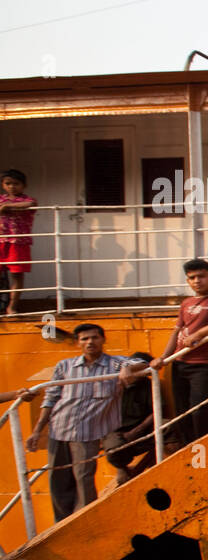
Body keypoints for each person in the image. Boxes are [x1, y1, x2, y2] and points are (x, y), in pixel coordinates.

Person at [25, 323, 148, 521]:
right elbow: (51, 399)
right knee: (58, 481)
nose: (90, 342)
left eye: (94, 337)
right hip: (59, 429)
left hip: (87, 432)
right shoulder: (64, 366)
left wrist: (128, 368)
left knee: (84, 479)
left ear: (103, 340)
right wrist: (38, 430)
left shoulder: (114, 364)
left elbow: (143, 362)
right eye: (84, 339)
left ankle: (85, 521)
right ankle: (62, 525)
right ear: (77, 343)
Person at [150, 259, 208, 444]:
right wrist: (164, 358)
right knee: (183, 414)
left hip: (205, 365)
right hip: (180, 362)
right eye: (192, 278)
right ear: (187, 281)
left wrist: (199, 334)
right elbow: (177, 331)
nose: (197, 281)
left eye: (201, 276)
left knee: (199, 411)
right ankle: (191, 452)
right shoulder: (186, 303)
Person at [102, 351, 159, 484]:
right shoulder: (113, 386)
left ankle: (159, 464)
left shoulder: (149, 385)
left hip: (144, 428)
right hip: (117, 432)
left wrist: (136, 431)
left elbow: (156, 411)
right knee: (113, 447)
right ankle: (121, 468)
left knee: (171, 428)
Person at [0, 169, 37, 316]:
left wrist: (8, 206)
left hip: (18, 242)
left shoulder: (26, 200)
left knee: (17, 275)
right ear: (3, 185)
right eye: (8, 183)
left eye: (16, 184)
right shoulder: (1, 199)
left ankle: (12, 307)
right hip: (1, 240)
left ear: (24, 185)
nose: (12, 187)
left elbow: (30, 203)